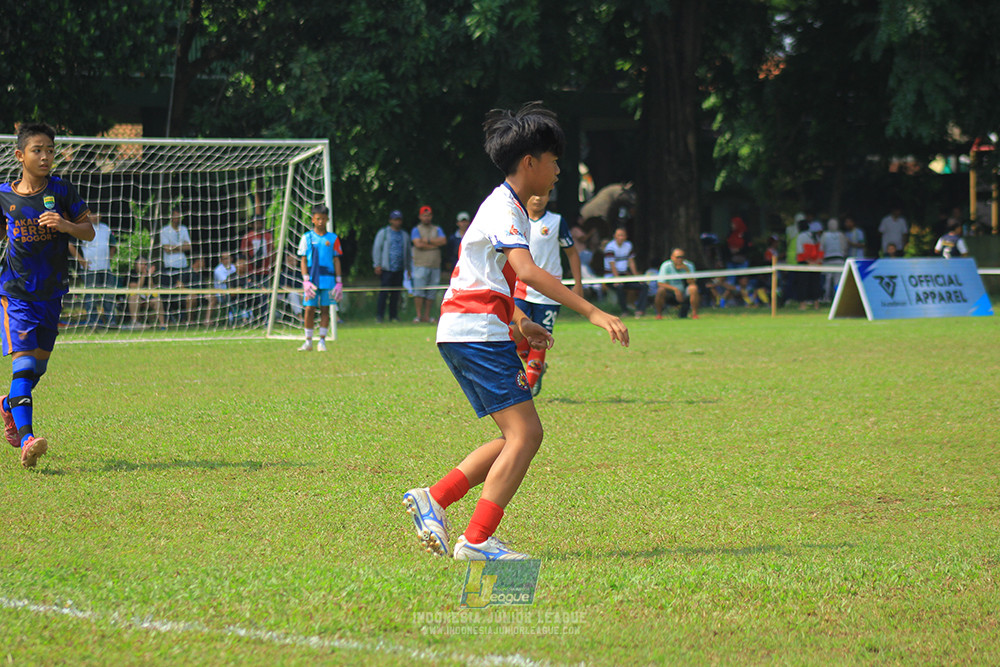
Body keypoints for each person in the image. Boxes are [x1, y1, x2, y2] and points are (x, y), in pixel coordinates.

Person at [402, 102, 629, 561]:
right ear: (531, 162)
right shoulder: (505, 207)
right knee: (527, 436)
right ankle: (478, 540)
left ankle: (435, 498)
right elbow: (524, 268)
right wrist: (591, 311)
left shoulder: (512, 211)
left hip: (471, 328)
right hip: (474, 332)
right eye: (555, 161)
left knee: (515, 436)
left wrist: (520, 321)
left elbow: (492, 275)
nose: (559, 170)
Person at [0, 123, 96, 468]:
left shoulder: (63, 191)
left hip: (51, 293)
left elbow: (89, 231)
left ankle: (9, 405)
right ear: (20, 155)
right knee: (23, 364)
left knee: (37, 368)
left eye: (50, 150)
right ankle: (27, 441)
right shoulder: (4, 197)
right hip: (15, 294)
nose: (45, 156)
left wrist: (66, 225)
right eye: (37, 150)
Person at [512, 190, 583, 396]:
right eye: (534, 195)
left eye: (543, 195)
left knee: (540, 338)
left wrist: (578, 284)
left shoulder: (556, 221)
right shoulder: (518, 219)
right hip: (521, 289)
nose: (538, 198)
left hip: (548, 292)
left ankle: (530, 387)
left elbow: (571, 253)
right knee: (513, 334)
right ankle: (536, 365)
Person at [297, 204, 342, 351]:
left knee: (325, 309)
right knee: (309, 308)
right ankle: (308, 341)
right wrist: (305, 280)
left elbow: (336, 260)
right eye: (318, 219)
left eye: (323, 218)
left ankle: (322, 340)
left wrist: (339, 282)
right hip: (312, 280)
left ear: (328, 219)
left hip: (328, 279)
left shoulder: (333, 238)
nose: (321, 221)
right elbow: (303, 259)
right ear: (313, 220)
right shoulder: (307, 237)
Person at [68, 211, 118, 327]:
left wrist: (109, 258)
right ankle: (93, 322)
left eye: (98, 214)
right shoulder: (83, 228)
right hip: (90, 268)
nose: (96, 216)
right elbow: (70, 245)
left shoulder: (106, 228)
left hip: (106, 268)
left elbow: (113, 245)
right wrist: (81, 260)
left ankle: (111, 322)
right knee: (91, 296)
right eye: (93, 214)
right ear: (88, 215)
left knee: (109, 295)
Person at [159, 208, 197, 324]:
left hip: (184, 267)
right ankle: (169, 319)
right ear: (171, 217)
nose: (177, 218)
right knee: (169, 295)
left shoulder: (184, 229)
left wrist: (174, 247)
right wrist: (181, 246)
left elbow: (188, 247)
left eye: (179, 216)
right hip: (170, 267)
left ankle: (188, 320)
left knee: (188, 292)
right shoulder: (164, 231)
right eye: (175, 216)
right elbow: (167, 249)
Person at [372, 210, 411, 323]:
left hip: (399, 269)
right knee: (384, 293)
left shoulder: (404, 235)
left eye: (399, 220)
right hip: (386, 268)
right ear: (390, 220)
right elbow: (377, 249)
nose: (397, 222)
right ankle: (380, 316)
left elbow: (408, 252)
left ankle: (393, 316)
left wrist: (408, 268)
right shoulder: (383, 233)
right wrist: (377, 264)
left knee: (396, 294)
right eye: (395, 219)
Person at [410, 205, 446, 323]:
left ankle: (427, 316)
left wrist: (428, 241)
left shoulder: (437, 229)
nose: (427, 218)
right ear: (420, 217)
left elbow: (443, 241)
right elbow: (418, 244)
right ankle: (418, 315)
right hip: (420, 264)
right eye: (424, 215)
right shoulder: (416, 230)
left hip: (435, 265)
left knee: (431, 292)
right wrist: (435, 245)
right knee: (419, 291)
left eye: (429, 215)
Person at [603, 227, 647, 317]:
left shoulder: (628, 245)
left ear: (626, 237)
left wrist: (637, 277)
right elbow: (612, 265)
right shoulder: (610, 247)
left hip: (624, 275)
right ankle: (624, 311)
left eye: (623, 235)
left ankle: (639, 310)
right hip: (611, 276)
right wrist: (617, 279)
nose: (621, 237)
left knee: (644, 286)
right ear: (614, 236)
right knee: (619, 287)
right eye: (619, 235)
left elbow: (631, 262)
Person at [654, 248, 700, 319]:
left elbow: (692, 282)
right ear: (672, 257)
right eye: (678, 257)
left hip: (685, 292)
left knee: (693, 288)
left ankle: (694, 314)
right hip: (670, 292)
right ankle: (659, 315)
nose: (680, 259)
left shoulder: (689, 265)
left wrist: (687, 270)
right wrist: (675, 290)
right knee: (661, 290)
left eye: (682, 257)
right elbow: (660, 283)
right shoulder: (666, 266)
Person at [125, 257, 166, 329]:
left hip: (148, 297)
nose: (144, 266)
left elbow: (151, 287)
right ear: (136, 265)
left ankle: (162, 324)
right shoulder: (131, 273)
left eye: (145, 264)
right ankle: (135, 322)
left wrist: (149, 275)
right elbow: (136, 287)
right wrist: (143, 275)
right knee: (134, 298)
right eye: (141, 264)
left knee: (157, 300)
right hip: (136, 297)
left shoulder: (149, 274)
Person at [796, 219, 824, 308]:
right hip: (816, 263)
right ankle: (816, 304)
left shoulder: (800, 236)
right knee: (815, 283)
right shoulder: (815, 236)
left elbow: (800, 251)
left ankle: (803, 305)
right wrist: (815, 262)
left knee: (802, 283)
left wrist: (808, 261)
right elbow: (820, 250)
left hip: (804, 262)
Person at [819, 218, 847, 301]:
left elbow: (821, 247)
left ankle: (828, 297)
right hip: (837, 259)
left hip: (830, 259)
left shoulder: (825, 235)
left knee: (829, 280)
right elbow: (844, 247)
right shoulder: (840, 235)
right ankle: (835, 298)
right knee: (835, 281)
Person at [206, 253, 237, 326]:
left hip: (234, 291)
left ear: (231, 259)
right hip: (220, 294)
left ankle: (243, 318)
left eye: (228, 258)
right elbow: (226, 280)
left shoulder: (234, 267)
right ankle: (207, 320)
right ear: (221, 260)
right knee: (213, 299)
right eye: (225, 258)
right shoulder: (218, 270)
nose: (227, 260)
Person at [443, 211, 470, 278]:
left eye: (465, 221)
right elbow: (449, 253)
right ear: (457, 223)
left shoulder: (473, 237)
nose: (463, 224)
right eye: (462, 221)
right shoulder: (452, 238)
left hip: (470, 266)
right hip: (455, 265)